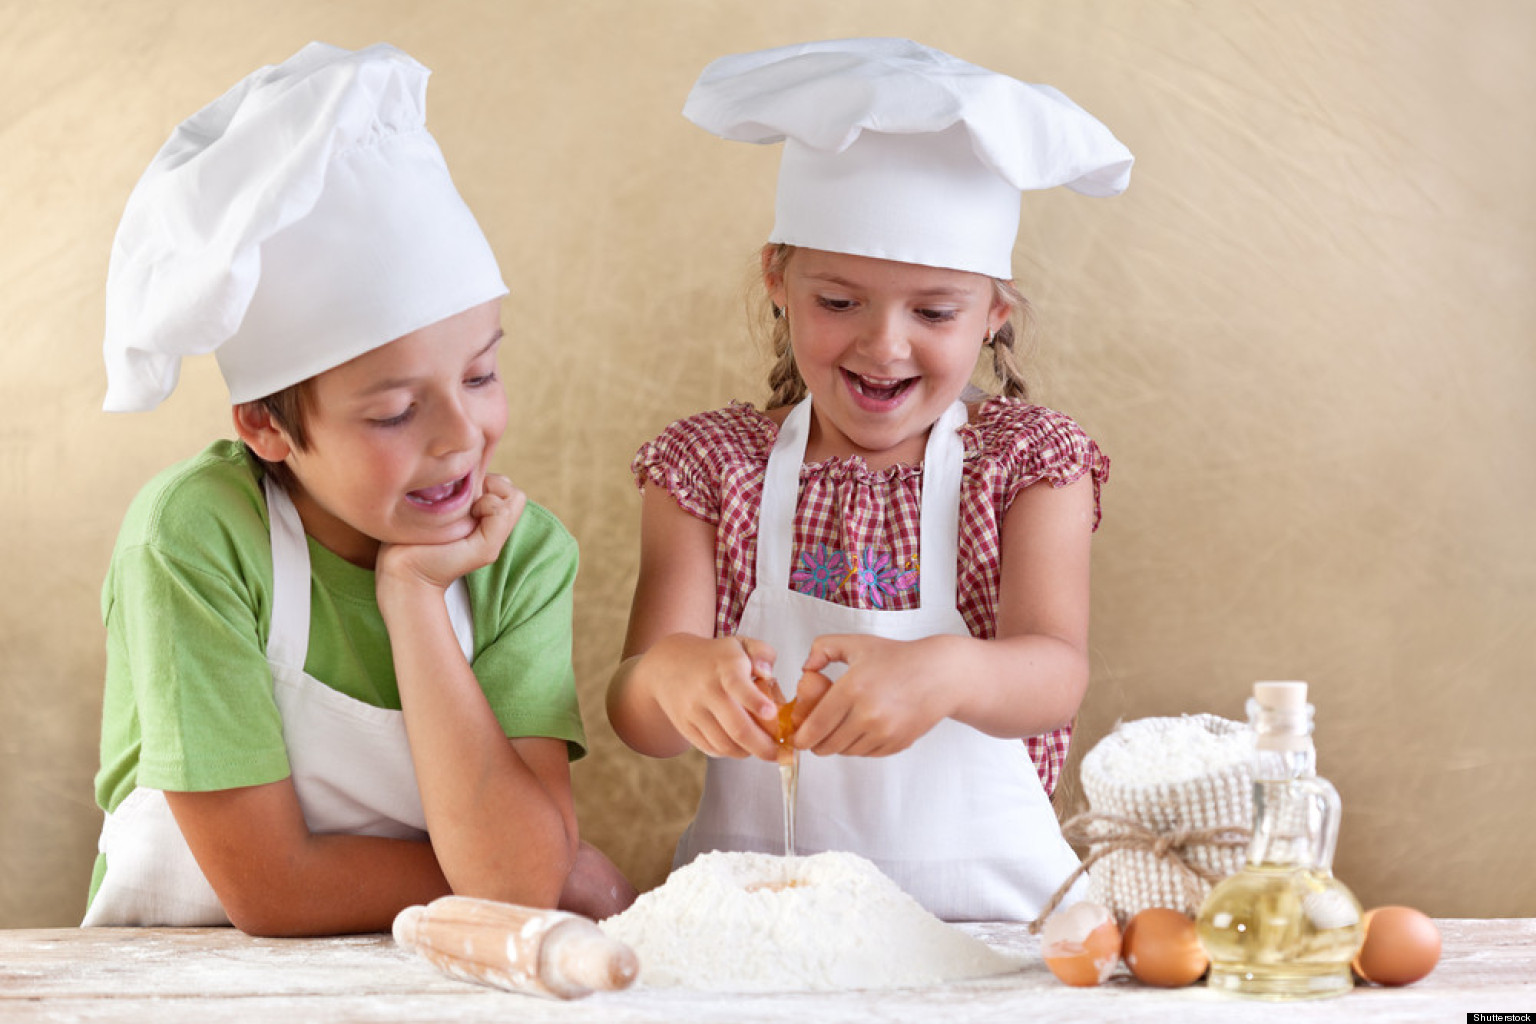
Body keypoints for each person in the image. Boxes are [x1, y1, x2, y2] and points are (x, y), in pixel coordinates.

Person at [86, 42, 634, 935]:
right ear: (267, 427)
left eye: (483, 375)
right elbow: (273, 891)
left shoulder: (521, 553)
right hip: (184, 982)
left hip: (426, 983)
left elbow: (519, 880)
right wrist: (526, 874)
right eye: (392, 414)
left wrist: (415, 596)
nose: (461, 438)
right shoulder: (194, 538)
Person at [607, 38, 1132, 921]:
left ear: (993, 314)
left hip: (995, 935)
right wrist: (671, 678)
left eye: (933, 311)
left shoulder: (1027, 464)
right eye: (838, 302)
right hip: (758, 931)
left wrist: (948, 675)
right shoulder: (710, 468)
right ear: (779, 279)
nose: (884, 346)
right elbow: (636, 711)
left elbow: (1054, 671)